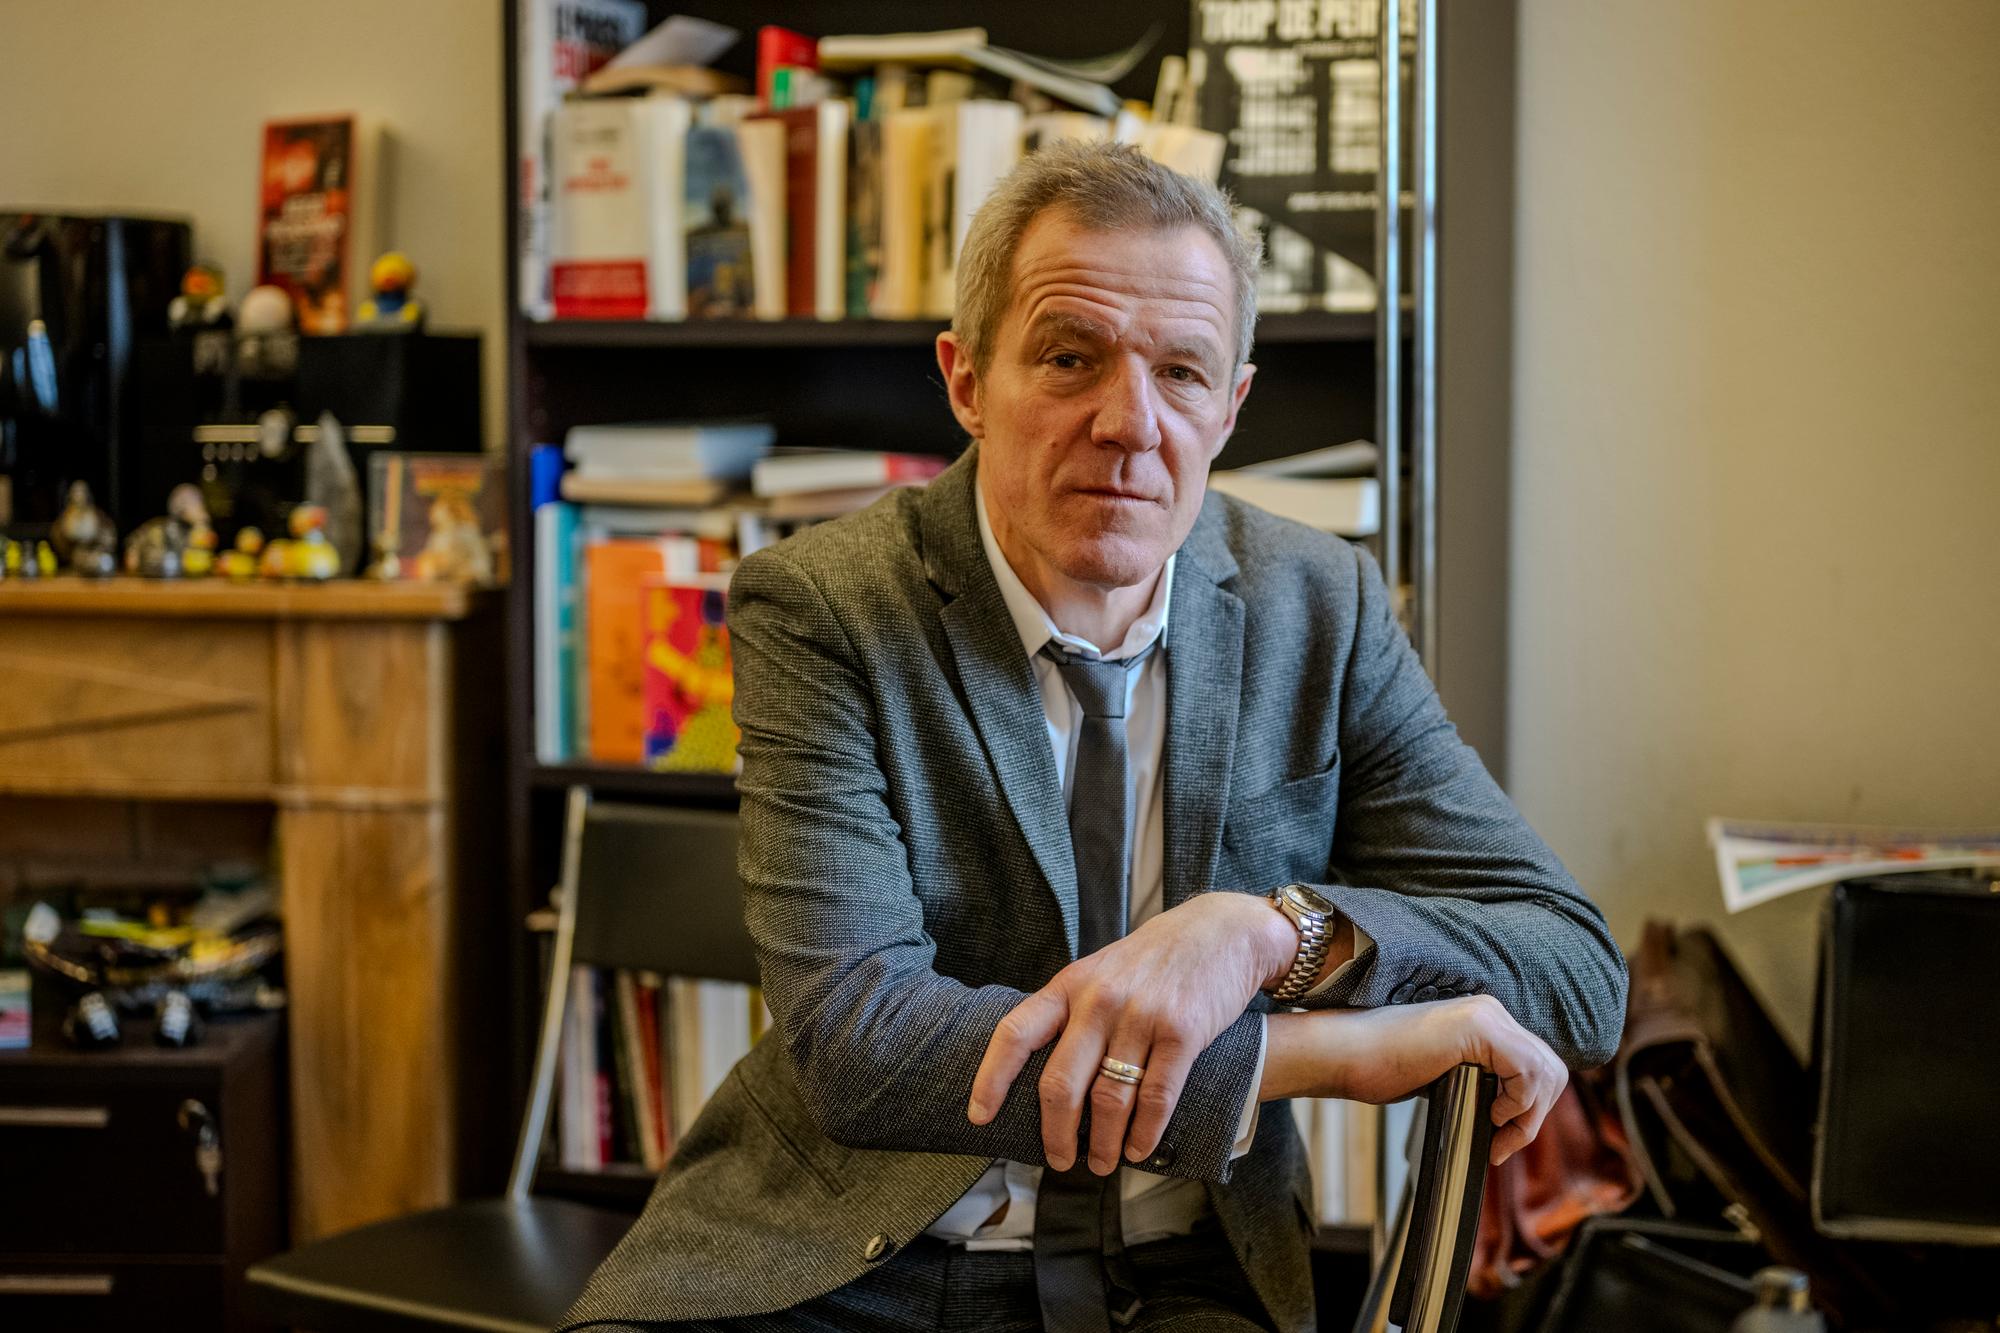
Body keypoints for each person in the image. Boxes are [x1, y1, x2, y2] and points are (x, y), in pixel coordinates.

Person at [558, 140, 1626, 1333]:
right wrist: (1331, 1053)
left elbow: (1575, 970)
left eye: (1181, 371)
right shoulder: (824, 606)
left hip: (1178, 1272)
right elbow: (861, 1043)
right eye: (1069, 358)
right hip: (854, 1260)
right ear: (965, 382)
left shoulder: (1318, 604)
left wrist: (1272, 937)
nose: (1130, 422)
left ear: (1230, 408)